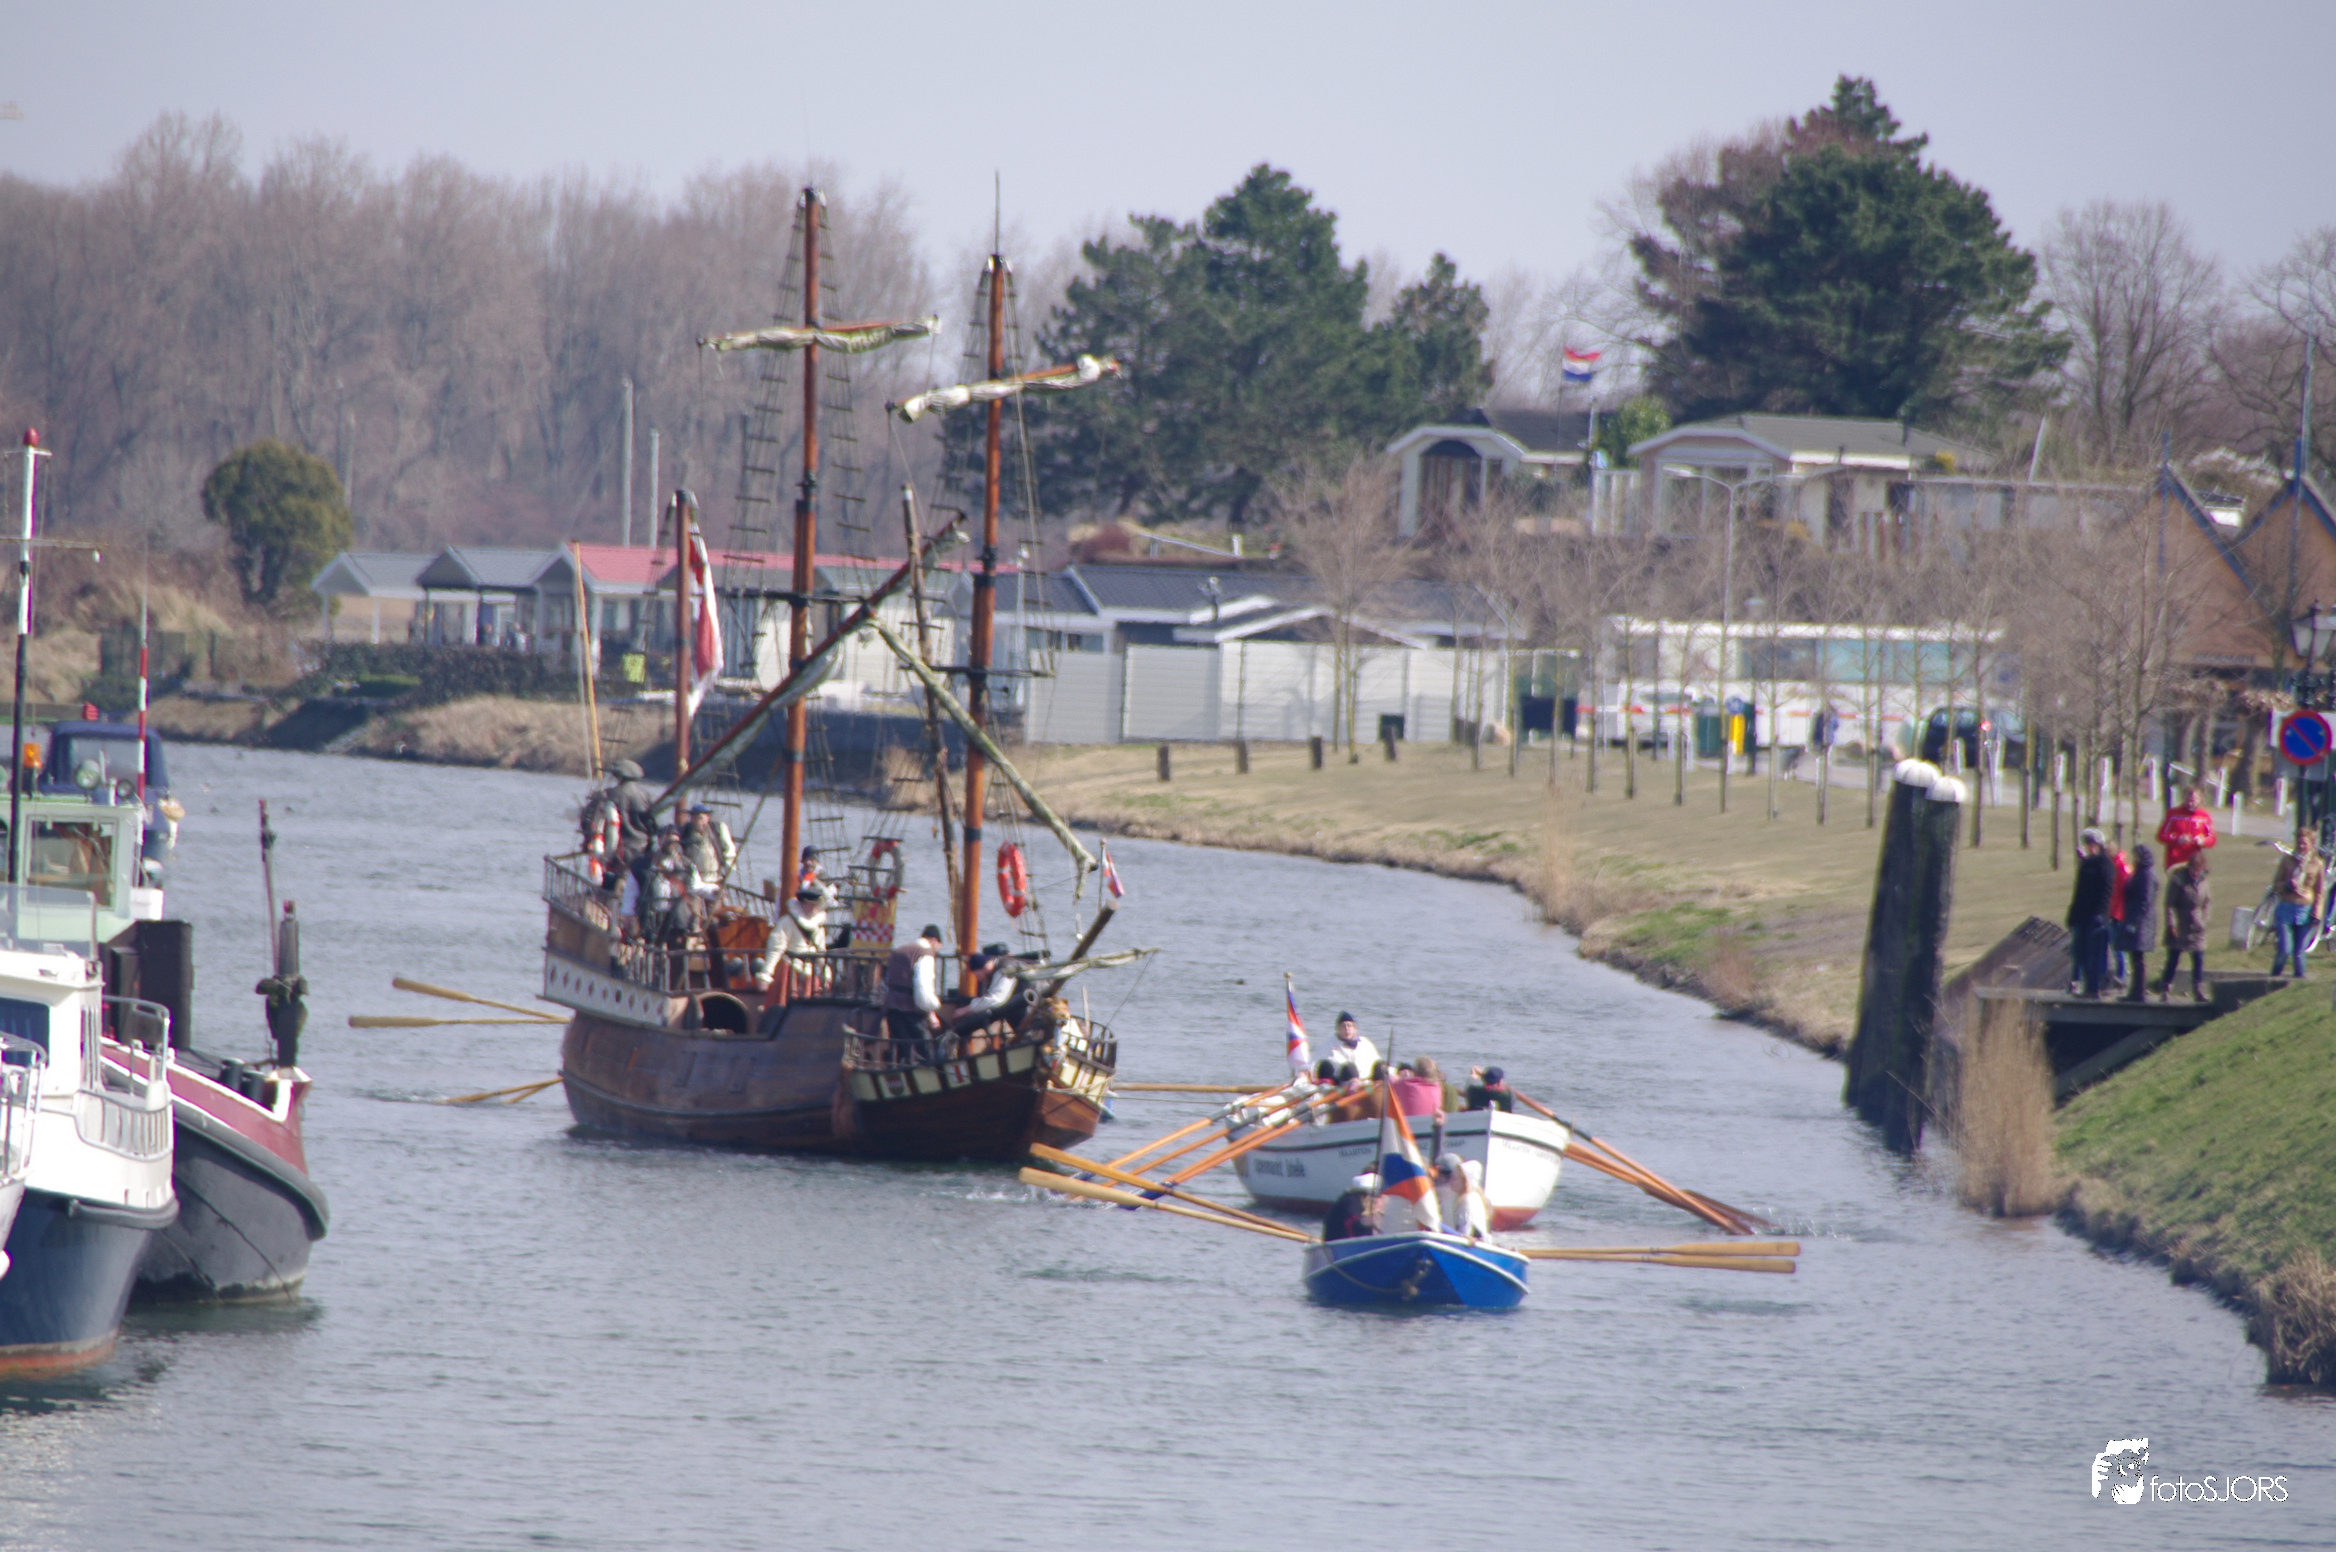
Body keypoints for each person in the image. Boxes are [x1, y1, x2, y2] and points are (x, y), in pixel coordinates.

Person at [2155, 854, 2212, 1003]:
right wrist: (2171, 924)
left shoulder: (2204, 881)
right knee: (2173, 959)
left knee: (2198, 959)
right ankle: (2165, 988)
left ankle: (2198, 989)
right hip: (2180, 925)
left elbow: (2207, 902)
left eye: (2199, 871)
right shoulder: (2178, 880)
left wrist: (2204, 920)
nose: (2196, 874)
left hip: (2197, 927)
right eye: (2194, 870)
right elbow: (2169, 905)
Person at [2066, 829, 2115, 998]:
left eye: (2091, 844)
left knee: (2094, 953)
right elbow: (2079, 892)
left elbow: (2106, 892)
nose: (2089, 847)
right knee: (2079, 952)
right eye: (2087, 844)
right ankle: (2088, 985)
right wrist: (2072, 915)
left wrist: (2100, 914)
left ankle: (2093, 988)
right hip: (2082, 915)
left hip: (2095, 916)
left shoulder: (2104, 863)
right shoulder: (2087, 864)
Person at [2269, 835, 2325, 979]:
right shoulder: (2287, 861)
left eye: (2305, 843)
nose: (2301, 846)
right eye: (2299, 843)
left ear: (2312, 845)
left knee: (2299, 953)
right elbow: (2275, 885)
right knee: (2285, 949)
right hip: (2286, 908)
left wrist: (2317, 914)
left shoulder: (2317, 864)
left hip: (2304, 911)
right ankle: (2274, 976)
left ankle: (2299, 980)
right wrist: (2286, 885)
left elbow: (2319, 892)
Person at [757, 884, 831, 993]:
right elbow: (776, 949)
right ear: (802, 904)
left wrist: (826, 975)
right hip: (790, 970)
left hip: (809, 972)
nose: (813, 907)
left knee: (810, 997)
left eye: (815, 905)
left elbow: (821, 952)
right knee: (788, 996)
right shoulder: (787, 922)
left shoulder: (818, 925)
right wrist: (766, 973)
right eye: (810, 904)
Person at [881, 923, 945, 1045]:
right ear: (934, 940)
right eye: (938, 948)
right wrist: (934, 1007)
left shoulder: (900, 950)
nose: (936, 953)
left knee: (899, 1048)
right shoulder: (925, 954)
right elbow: (923, 990)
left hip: (891, 1006)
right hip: (910, 1010)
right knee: (923, 1049)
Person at [949, 945, 1030, 1037]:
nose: (980, 980)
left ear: (985, 967)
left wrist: (967, 1009)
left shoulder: (1005, 969)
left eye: (979, 976)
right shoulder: (1000, 968)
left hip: (1030, 1014)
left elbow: (996, 998)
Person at [2117, 844, 2160, 1004]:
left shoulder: (2147, 874)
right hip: (2135, 918)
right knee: (2135, 957)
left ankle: (2139, 991)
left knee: (2138, 958)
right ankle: (2135, 990)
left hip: (2141, 922)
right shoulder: (2140, 872)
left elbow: (2145, 901)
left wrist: (2134, 923)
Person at [607, 758, 660, 865]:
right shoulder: (647, 796)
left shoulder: (610, 794)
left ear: (619, 776)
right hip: (643, 847)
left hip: (619, 848)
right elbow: (656, 825)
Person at [2156, 786, 2219, 870]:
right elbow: (2161, 836)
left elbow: (2212, 840)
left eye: (2193, 801)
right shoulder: (2173, 814)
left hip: (2195, 863)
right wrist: (2177, 839)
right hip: (2175, 861)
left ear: (2199, 799)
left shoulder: (2204, 816)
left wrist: (2202, 841)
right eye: (2188, 800)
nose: (2190, 804)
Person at [1435, 1154, 1492, 1242]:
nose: (1450, 1181)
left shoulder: (1470, 1200)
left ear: (1465, 1182)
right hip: (1453, 1240)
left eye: (1454, 1179)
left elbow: (1465, 1232)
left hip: (1472, 1244)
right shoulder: (1454, 1199)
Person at [682, 803, 737, 890]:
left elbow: (729, 850)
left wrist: (726, 868)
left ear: (707, 818)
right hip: (695, 880)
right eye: (694, 818)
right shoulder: (686, 833)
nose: (698, 822)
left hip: (715, 878)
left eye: (701, 818)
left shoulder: (717, 830)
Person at [2106, 842, 2135, 988]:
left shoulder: (2121, 868)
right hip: (2114, 911)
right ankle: (2121, 976)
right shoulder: (2114, 866)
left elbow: (2125, 893)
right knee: (2115, 947)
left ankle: (2122, 976)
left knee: (2118, 947)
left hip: (2119, 913)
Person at [1323, 1173, 1380, 1241]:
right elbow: (1352, 1224)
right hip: (1340, 1242)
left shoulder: (1347, 1199)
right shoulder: (1351, 1202)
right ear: (1367, 1197)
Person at [1331, 1013, 1379, 1078]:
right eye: (1343, 1026)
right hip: (1341, 1081)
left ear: (1355, 1028)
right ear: (1338, 1028)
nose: (1346, 1028)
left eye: (1349, 1026)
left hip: (1366, 1080)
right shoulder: (1330, 1044)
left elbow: (1377, 1061)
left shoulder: (1365, 1043)